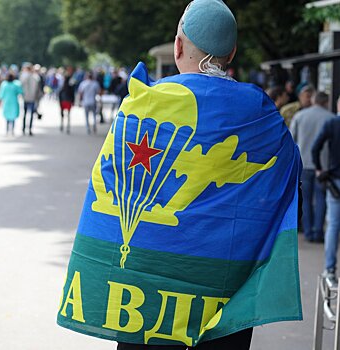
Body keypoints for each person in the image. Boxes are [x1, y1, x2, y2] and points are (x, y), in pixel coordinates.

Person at [57, 1, 302, 349]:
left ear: (177, 47)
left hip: (141, 304)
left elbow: (107, 187)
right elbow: (287, 197)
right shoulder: (262, 114)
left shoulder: (142, 106)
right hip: (223, 304)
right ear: (231, 53)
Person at [290, 91, 334, 242]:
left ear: (314, 101)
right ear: (326, 102)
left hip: (304, 163)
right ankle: (318, 232)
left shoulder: (300, 116)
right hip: (323, 166)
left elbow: (291, 139)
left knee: (306, 200)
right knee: (321, 198)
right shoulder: (331, 118)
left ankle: (308, 232)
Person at [312, 96, 340, 285]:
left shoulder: (332, 123)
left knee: (333, 225)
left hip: (335, 181)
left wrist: (320, 168)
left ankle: (330, 269)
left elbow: (315, 148)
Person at [20, 63, 40, 136]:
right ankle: (28, 129)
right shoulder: (35, 77)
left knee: (26, 114)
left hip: (28, 97)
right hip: (31, 98)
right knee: (29, 114)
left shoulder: (25, 76)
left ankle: (25, 128)